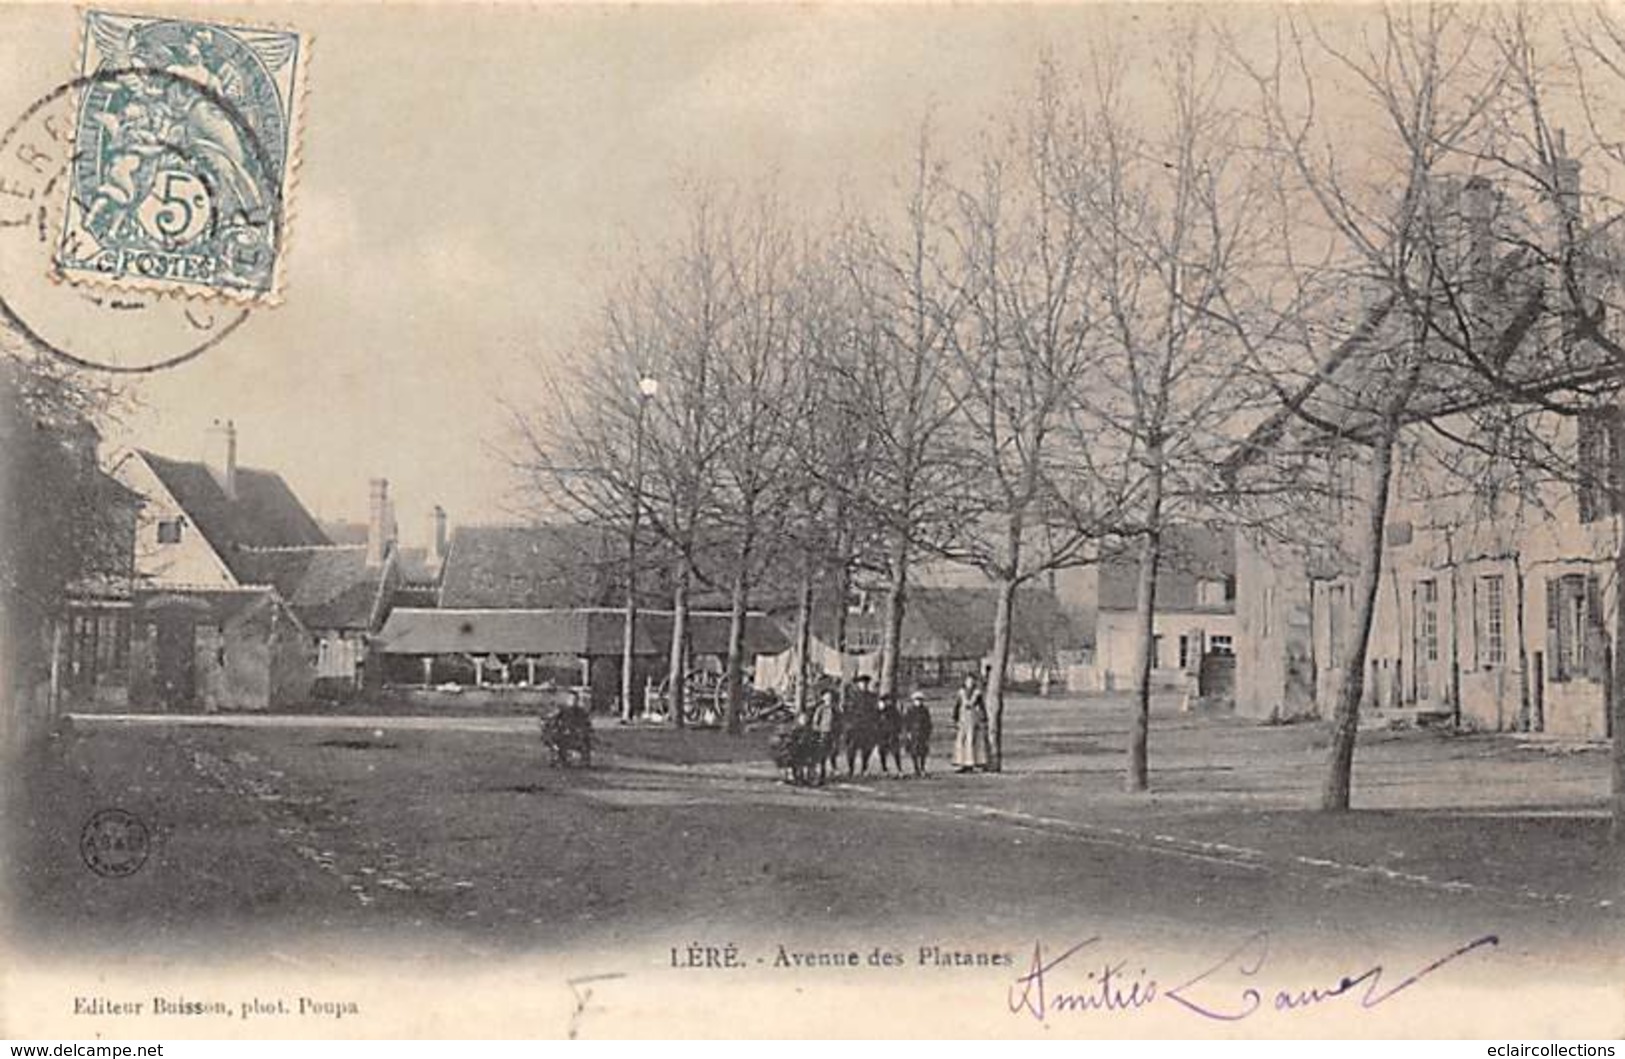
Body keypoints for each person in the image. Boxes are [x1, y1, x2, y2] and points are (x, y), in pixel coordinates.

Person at [951, 673, 990, 772]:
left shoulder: (977, 693)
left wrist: (984, 718)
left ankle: (972, 763)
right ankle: (963, 763)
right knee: (962, 741)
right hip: (963, 719)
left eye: (972, 681)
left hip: (973, 719)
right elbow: (957, 706)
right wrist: (954, 719)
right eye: (968, 681)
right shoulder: (961, 693)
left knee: (972, 740)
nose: (970, 683)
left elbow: (982, 707)